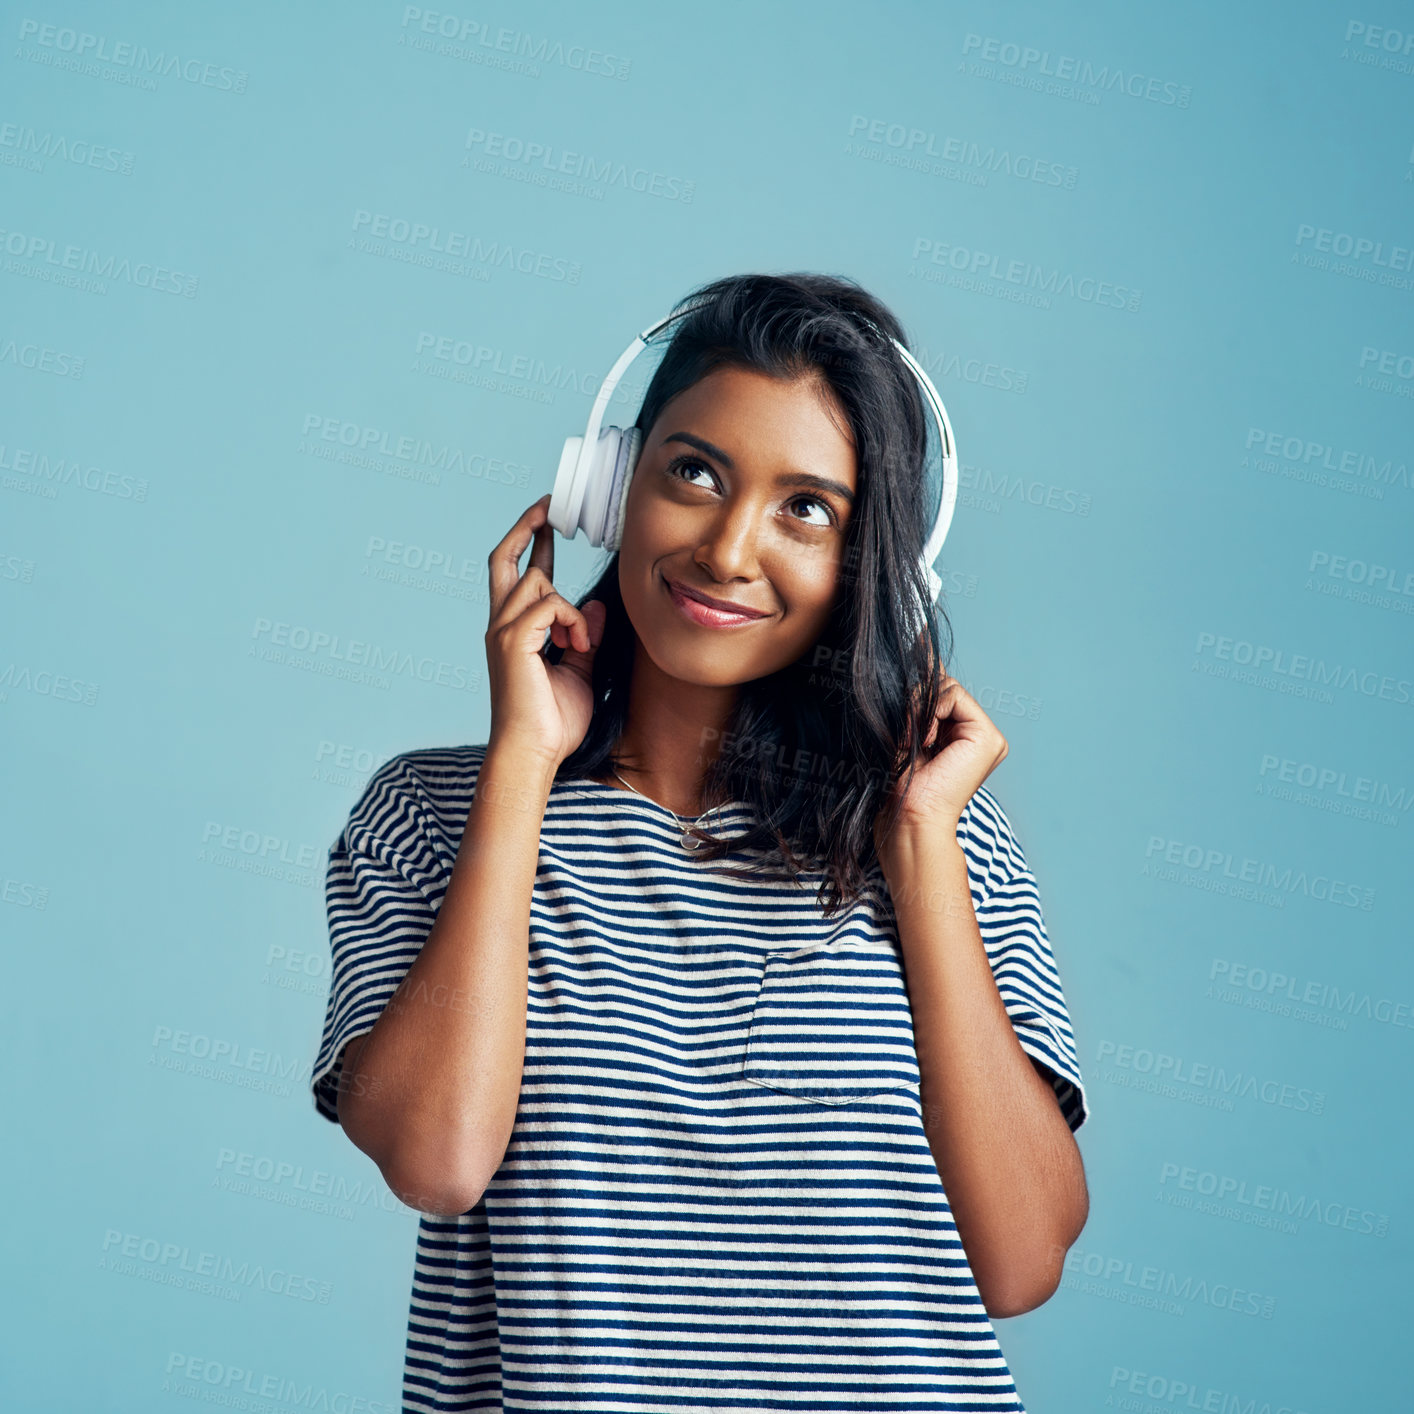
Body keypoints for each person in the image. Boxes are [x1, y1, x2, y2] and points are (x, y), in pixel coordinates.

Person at [310, 272, 1090, 1413]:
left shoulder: (946, 837)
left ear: (871, 564)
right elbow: (436, 1158)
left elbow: (1020, 1263)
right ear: (609, 486)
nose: (728, 551)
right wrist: (521, 765)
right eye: (694, 473)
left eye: (806, 509)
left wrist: (920, 840)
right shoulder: (435, 813)